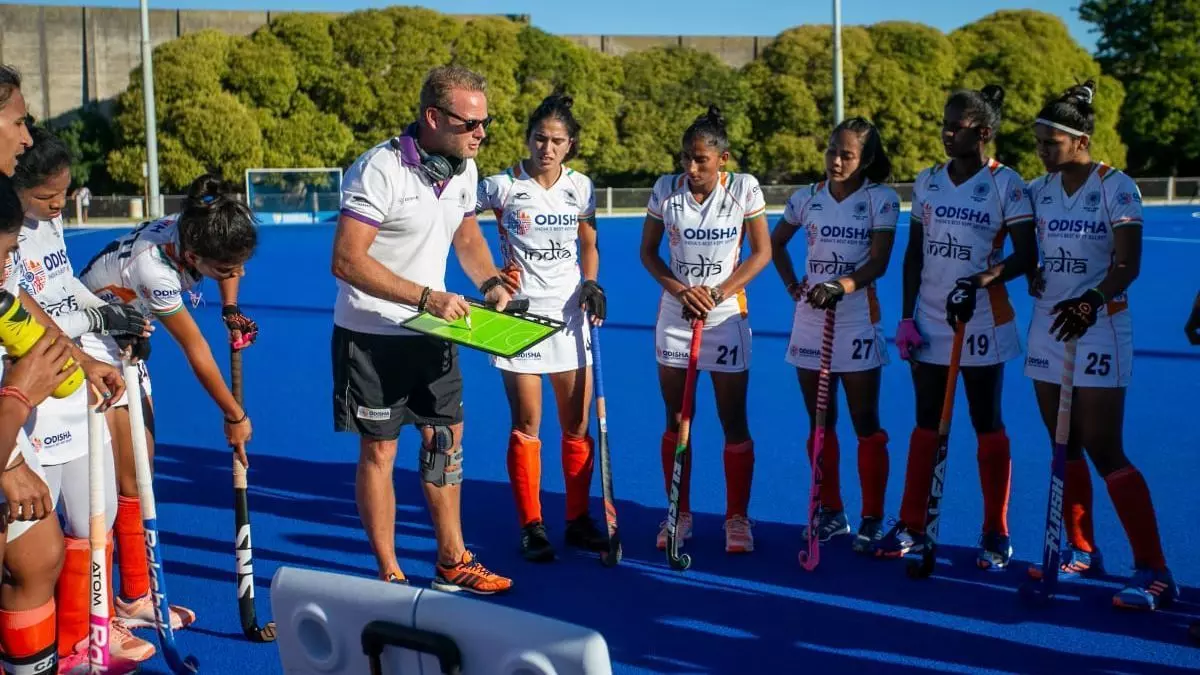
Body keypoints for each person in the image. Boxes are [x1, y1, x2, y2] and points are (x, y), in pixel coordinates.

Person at [331, 64, 514, 594]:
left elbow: (466, 236)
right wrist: (425, 296)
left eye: (487, 123)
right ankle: (388, 570)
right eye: (470, 123)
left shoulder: (463, 168)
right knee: (381, 451)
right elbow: (346, 260)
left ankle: (452, 559)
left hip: (434, 332)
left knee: (445, 443)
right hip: (371, 338)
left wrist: (492, 285)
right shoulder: (378, 170)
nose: (481, 133)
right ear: (432, 118)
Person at [77, 173, 259, 632]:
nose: (236, 275)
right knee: (115, 483)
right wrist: (234, 415)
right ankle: (106, 607)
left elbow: (229, 265)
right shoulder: (155, 271)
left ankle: (134, 595)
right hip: (89, 344)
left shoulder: (198, 224)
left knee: (140, 473)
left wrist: (229, 308)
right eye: (226, 270)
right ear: (196, 258)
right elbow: (196, 351)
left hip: (126, 339)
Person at [1023, 80, 1178, 609]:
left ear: (1081, 139)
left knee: (1103, 446)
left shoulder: (1118, 187)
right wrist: (1037, 277)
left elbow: (1127, 265)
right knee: (1061, 442)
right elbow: (1038, 254)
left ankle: (1155, 569)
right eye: (1039, 142)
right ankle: (1082, 548)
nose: (1041, 151)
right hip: (1048, 325)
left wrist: (1089, 300)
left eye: (1051, 142)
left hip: (1099, 324)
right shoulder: (1038, 190)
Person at [873, 84, 1036, 571]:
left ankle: (995, 531)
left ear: (982, 133)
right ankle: (912, 522)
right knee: (926, 423)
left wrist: (982, 279)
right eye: (943, 124)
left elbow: (1026, 255)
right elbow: (915, 253)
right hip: (930, 320)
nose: (945, 133)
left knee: (986, 423)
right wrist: (906, 317)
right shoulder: (928, 181)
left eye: (955, 126)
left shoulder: (1008, 185)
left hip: (983, 320)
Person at [12, 126, 152, 667]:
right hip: (34, 389)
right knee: (33, 545)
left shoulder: (47, 223)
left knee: (97, 514)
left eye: (65, 193)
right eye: (48, 196)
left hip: (74, 373)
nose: (58, 205)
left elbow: (64, 283)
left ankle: (87, 635)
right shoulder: (9, 230)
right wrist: (91, 325)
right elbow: (20, 309)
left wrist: (106, 311)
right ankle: (43, 647)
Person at [475, 93, 608, 562]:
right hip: (517, 318)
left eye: (556, 141)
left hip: (571, 316)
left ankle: (577, 520)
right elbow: (455, 224)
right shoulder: (500, 186)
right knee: (527, 424)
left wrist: (592, 282)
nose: (546, 149)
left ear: (570, 145)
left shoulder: (581, 188)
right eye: (539, 139)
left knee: (576, 425)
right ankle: (532, 525)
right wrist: (492, 277)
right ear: (527, 139)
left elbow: (589, 244)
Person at [639, 104, 772, 554]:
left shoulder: (745, 190)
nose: (691, 168)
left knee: (732, 420)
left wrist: (716, 294)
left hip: (725, 317)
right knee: (677, 420)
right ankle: (679, 510)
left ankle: (737, 517)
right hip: (676, 318)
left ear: (723, 159)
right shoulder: (666, 191)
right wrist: (681, 291)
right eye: (686, 159)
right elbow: (649, 254)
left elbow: (761, 254)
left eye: (701, 160)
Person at [771, 117, 899, 553]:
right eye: (832, 150)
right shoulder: (806, 197)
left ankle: (872, 517)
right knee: (820, 422)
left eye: (847, 154)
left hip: (858, 319)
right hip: (811, 319)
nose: (836, 160)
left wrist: (840, 286)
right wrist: (794, 285)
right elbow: (776, 243)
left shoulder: (880, 199)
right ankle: (831, 511)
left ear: (866, 160)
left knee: (866, 423)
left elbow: (878, 263)